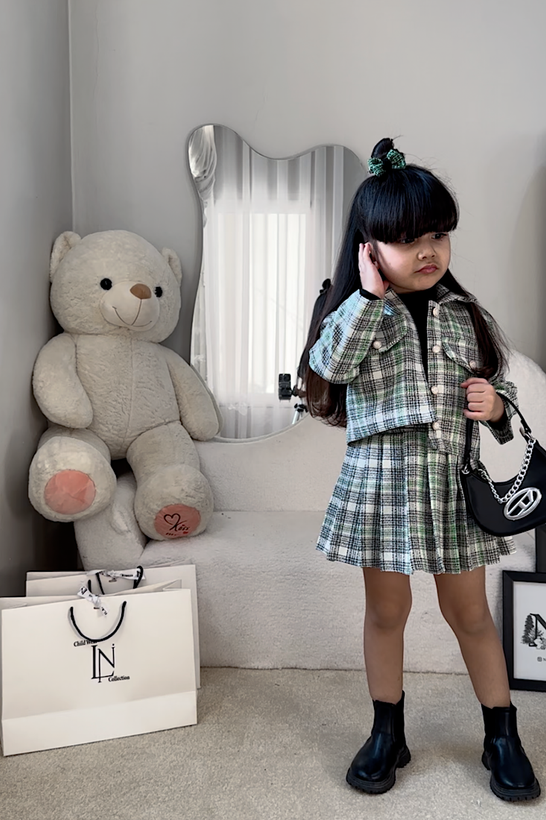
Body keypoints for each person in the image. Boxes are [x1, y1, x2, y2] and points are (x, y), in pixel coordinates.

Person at [298, 138, 540, 802]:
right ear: (370, 249)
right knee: (387, 611)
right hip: (381, 489)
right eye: (407, 240)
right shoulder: (357, 316)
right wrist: (367, 295)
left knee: (472, 614)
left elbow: (496, 388)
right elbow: (329, 366)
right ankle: (387, 731)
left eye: (438, 234)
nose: (429, 250)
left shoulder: (465, 316)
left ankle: (501, 735)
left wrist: (496, 405)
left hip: (452, 488)